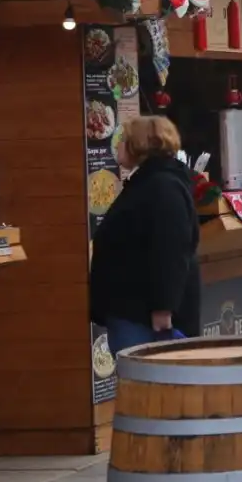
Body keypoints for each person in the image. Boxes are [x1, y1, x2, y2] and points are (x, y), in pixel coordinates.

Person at [89, 116, 201, 356]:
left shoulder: (163, 186)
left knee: (152, 387)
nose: (117, 146)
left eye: (123, 141)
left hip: (146, 320)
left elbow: (171, 250)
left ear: (139, 145)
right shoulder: (147, 182)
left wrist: (163, 309)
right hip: (130, 313)